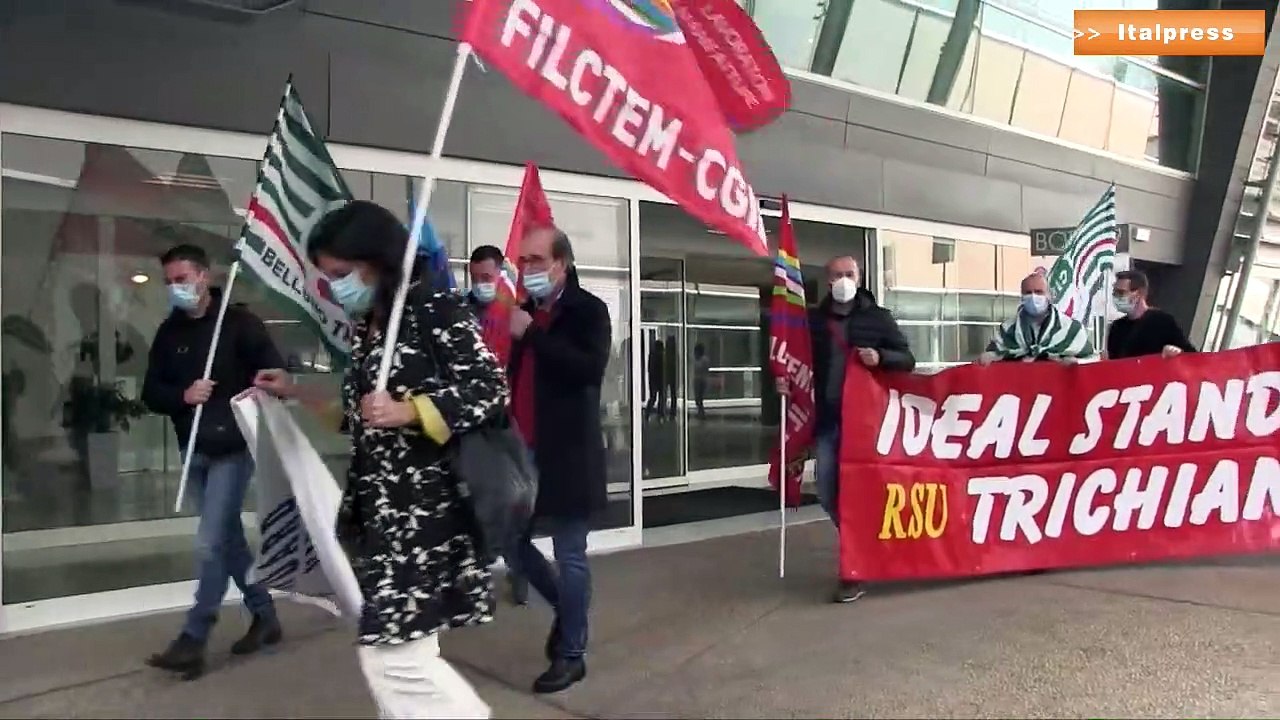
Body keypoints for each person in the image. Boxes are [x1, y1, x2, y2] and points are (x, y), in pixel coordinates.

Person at [256, 200, 506, 718]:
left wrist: (411, 410)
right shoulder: (371, 324)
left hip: (427, 515)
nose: (335, 287)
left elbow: (489, 389)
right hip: (382, 515)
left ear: (377, 261)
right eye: (328, 277)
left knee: (392, 658)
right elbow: (360, 416)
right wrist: (296, 391)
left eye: (341, 274)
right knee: (409, 650)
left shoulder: (434, 308)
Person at [141, 243, 283, 679]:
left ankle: (194, 636)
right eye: (169, 282)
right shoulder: (169, 333)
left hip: (233, 448)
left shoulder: (239, 324)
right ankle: (266, 616)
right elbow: (151, 392)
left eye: (182, 279)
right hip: (192, 449)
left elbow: (275, 373)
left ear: (204, 276)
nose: (175, 288)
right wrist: (183, 396)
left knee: (208, 544)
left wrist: (265, 387)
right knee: (227, 541)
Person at [507, 225, 611, 694]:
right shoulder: (525, 312)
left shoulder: (588, 310)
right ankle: (568, 615)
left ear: (561, 264)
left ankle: (572, 654)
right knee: (510, 541)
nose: (527, 269)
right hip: (522, 451)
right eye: (522, 261)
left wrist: (532, 335)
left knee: (570, 553)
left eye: (536, 260)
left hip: (568, 453)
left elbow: (588, 370)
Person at [804, 255, 915, 604]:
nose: (843, 280)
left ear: (859, 277)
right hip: (828, 419)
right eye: (837, 274)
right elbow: (799, 361)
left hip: (866, 424)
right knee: (827, 491)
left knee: (859, 494)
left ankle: (855, 566)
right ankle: (862, 545)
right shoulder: (815, 320)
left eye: (849, 274)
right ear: (827, 279)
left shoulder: (877, 318)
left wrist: (881, 358)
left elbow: (907, 359)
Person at [465, 243, 529, 607]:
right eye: (475, 278)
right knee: (481, 500)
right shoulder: (462, 313)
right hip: (475, 423)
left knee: (520, 498)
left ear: (500, 274)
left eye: (486, 277)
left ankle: (519, 568)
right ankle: (482, 578)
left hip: (511, 420)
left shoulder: (515, 313)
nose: (480, 284)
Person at [977, 272, 1095, 365]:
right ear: (1022, 297)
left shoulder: (1072, 329)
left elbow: (1093, 360)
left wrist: (1078, 362)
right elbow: (991, 358)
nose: (1033, 296)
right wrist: (989, 357)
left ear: (1049, 295)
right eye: (1028, 292)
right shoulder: (1007, 330)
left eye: (1039, 292)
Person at [1106, 269, 1196, 360]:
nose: (1115, 296)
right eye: (1114, 292)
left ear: (1138, 294)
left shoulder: (1163, 322)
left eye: (1121, 292)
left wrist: (1176, 352)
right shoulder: (1117, 327)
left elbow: (1191, 355)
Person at [692, 343, 711, 420]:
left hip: (701, 380)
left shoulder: (704, 360)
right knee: (698, 398)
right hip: (697, 380)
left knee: (699, 398)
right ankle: (700, 412)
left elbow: (703, 369)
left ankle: (701, 413)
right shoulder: (697, 359)